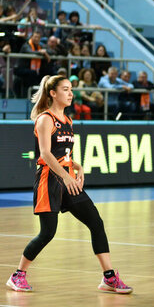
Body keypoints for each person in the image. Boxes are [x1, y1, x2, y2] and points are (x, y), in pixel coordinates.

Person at [6, 75, 132, 293]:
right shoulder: (46, 119)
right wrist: (65, 176)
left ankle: (109, 277)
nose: (71, 93)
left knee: (96, 222)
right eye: (66, 89)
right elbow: (45, 153)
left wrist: (78, 167)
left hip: (68, 179)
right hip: (49, 180)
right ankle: (18, 275)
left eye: (71, 89)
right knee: (47, 233)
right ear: (53, 93)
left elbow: (63, 154)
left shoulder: (68, 121)